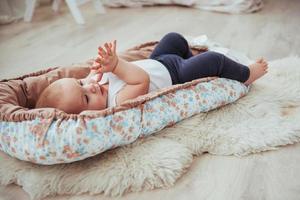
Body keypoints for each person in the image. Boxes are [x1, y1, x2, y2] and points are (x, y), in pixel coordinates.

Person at [35, 32, 268, 114]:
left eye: (80, 83)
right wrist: (115, 66)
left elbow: (89, 79)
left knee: (173, 38)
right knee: (213, 60)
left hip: (158, 61)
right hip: (177, 75)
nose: (91, 87)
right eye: (86, 97)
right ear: (87, 114)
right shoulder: (116, 102)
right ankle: (247, 74)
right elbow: (141, 79)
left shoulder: (92, 85)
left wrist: (99, 67)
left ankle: (188, 54)